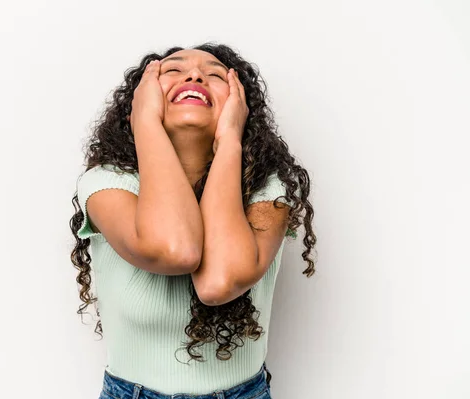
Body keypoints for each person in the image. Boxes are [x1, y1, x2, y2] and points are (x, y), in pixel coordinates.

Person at [70, 43, 317, 399]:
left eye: (216, 75)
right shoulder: (107, 182)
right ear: (138, 102)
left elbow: (218, 283)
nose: (195, 75)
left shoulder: (268, 189)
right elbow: (176, 250)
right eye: (171, 70)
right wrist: (145, 123)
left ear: (241, 110)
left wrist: (230, 141)